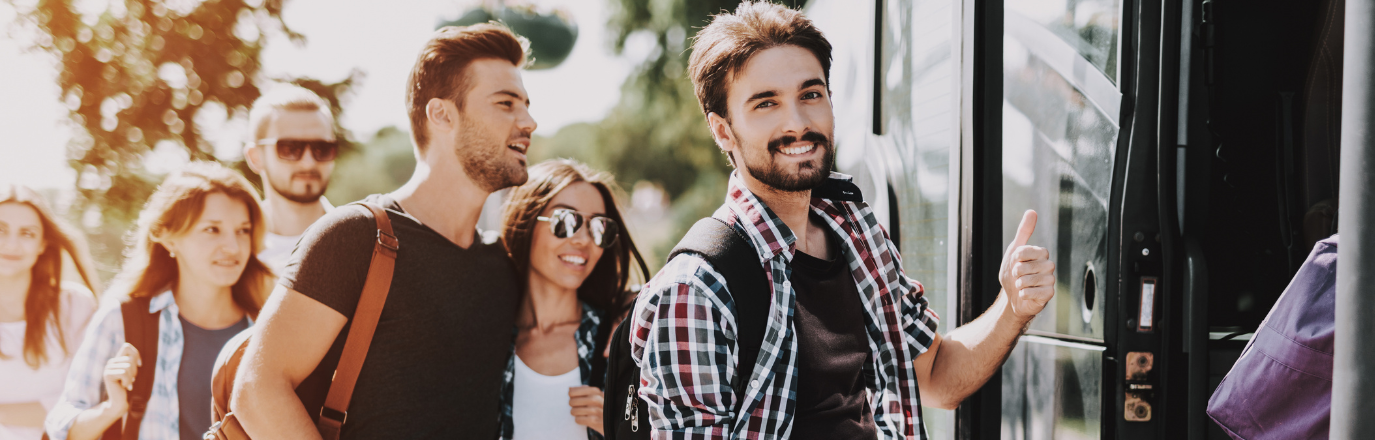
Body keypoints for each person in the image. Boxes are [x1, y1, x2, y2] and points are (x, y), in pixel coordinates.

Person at [627, 2, 1057, 437]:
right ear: (723, 130)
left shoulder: (860, 236)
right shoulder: (695, 290)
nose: (797, 123)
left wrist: (1012, 306)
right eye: (766, 104)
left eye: (810, 94)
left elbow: (937, 378)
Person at [231, 22, 536, 439]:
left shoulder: (502, 266)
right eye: (506, 103)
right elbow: (257, 389)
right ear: (442, 114)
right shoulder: (355, 236)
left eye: (526, 104)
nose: (529, 121)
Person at [45, 162, 269, 440]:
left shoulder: (267, 328)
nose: (234, 247)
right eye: (212, 230)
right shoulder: (120, 319)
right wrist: (112, 408)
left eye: (243, 230)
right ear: (167, 237)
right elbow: (60, 430)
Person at [497, 159, 648, 439]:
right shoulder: (489, 342)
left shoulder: (624, 340)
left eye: (599, 227)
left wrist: (620, 431)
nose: (583, 240)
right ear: (526, 221)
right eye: (565, 221)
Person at [0, 185, 98, 440]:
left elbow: (87, 401)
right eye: (1, 230)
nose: (11, 243)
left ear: (43, 244)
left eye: (27, 234)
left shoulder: (74, 305)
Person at [242, 84, 339, 276]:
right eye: (290, 149)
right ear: (255, 157)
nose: (308, 163)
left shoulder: (366, 244)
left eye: (321, 148)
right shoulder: (232, 251)